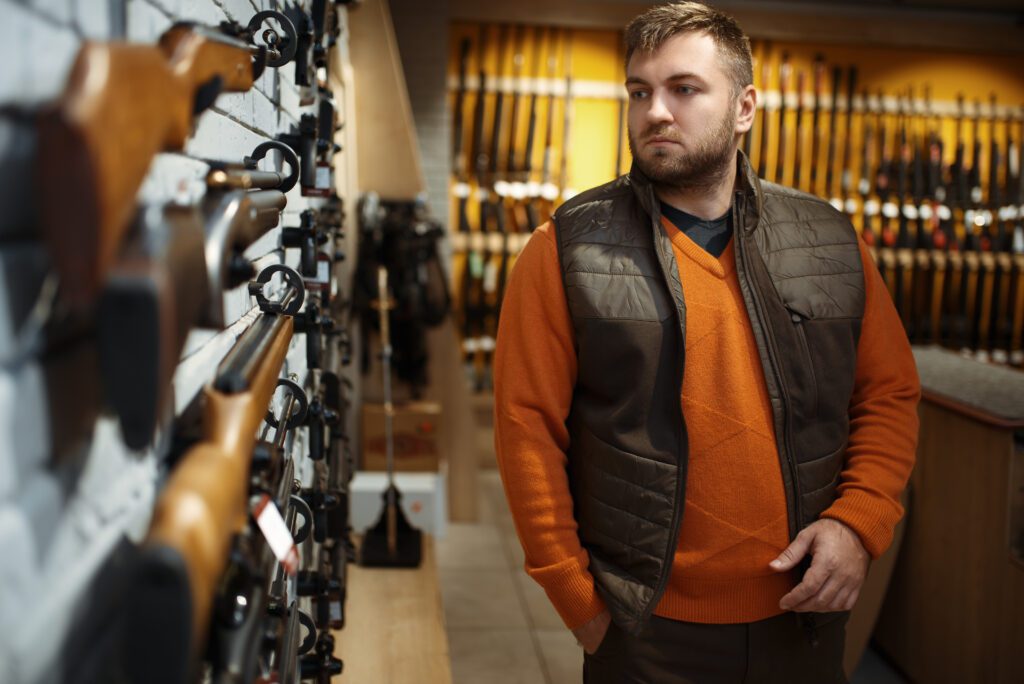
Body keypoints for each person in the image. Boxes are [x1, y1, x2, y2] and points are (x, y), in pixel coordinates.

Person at [492, 3, 920, 682]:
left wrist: (858, 523)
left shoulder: (831, 242)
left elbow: (888, 394)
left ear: (744, 106)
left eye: (684, 89)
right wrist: (577, 599)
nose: (655, 111)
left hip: (801, 620)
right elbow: (526, 430)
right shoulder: (565, 249)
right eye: (639, 91)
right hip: (643, 632)